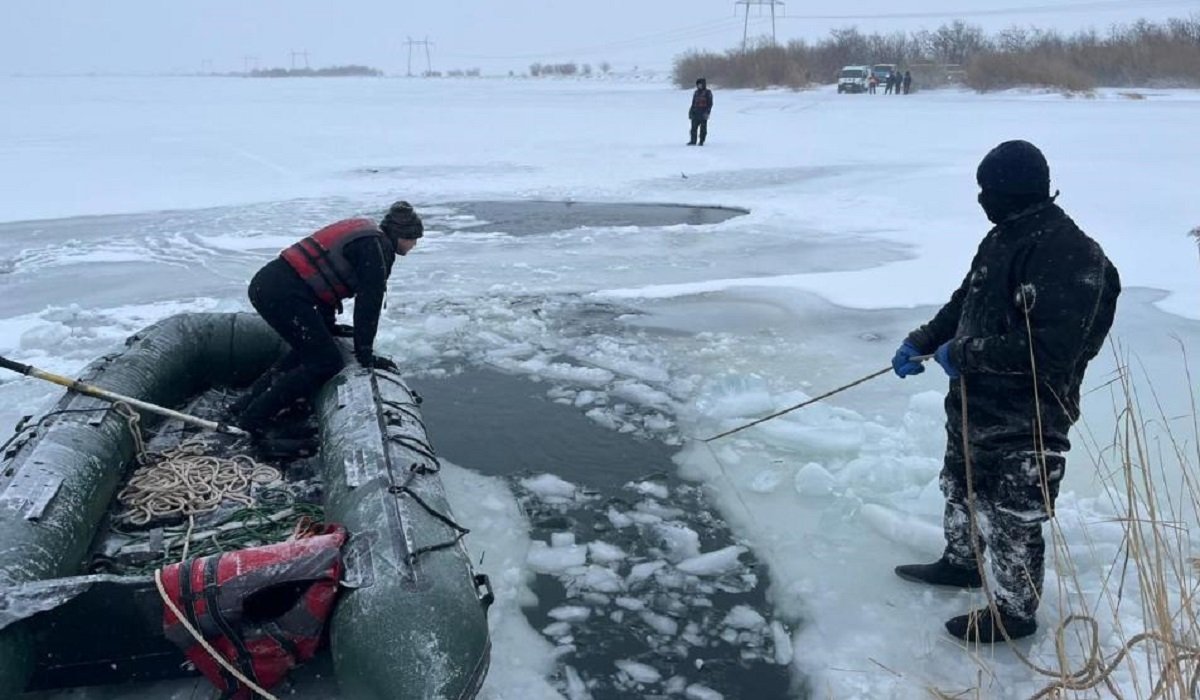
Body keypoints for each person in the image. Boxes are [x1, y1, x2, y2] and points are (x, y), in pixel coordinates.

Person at [890, 140, 1120, 643]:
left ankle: (1015, 612)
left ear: (1015, 189)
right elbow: (964, 301)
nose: (981, 200)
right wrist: (923, 341)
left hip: (1028, 416)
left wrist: (967, 355)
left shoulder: (1073, 255)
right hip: (975, 404)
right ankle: (962, 562)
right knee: (961, 486)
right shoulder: (1003, 237)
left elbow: (1052, 350)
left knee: (1011, 512)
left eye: (987, 190)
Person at [230, 201, 424, 433]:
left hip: (270, 285)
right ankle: (254, 419)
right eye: (413, 239)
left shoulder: (368, 234)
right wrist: (365, 353)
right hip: (283, 294)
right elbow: (368, 303)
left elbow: (321, 279)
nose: (413, 245)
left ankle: (242, 406)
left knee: (306, 353)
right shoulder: (375, 248)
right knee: (325, 362)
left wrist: (328, 325)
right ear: (400, 235)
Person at [687, 78, 713, 146]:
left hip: (703, 112)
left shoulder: (708, 92)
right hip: (695, 112)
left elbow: (710, 104)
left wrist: (707, 112)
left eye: (701, 84)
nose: (699, 86)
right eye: (698, 85)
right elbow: (693, 103)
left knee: (703, 129)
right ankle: (693, 141)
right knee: (693, 128)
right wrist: (691, 111)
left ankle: (701, 141)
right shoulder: (696, 92)